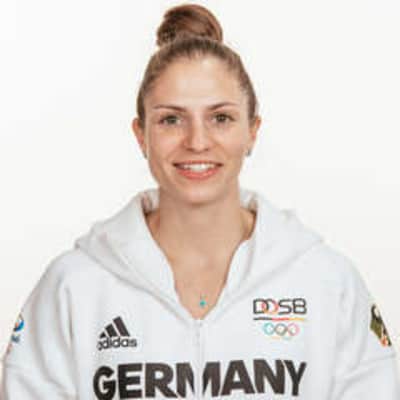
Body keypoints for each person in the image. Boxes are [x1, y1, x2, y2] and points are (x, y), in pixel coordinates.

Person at [2, 3, 400, 399]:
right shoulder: (75, 286)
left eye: (220, 118)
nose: (197, 141)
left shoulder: (325, 281)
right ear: (141, 135)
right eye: (171, 119)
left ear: (252, 130)